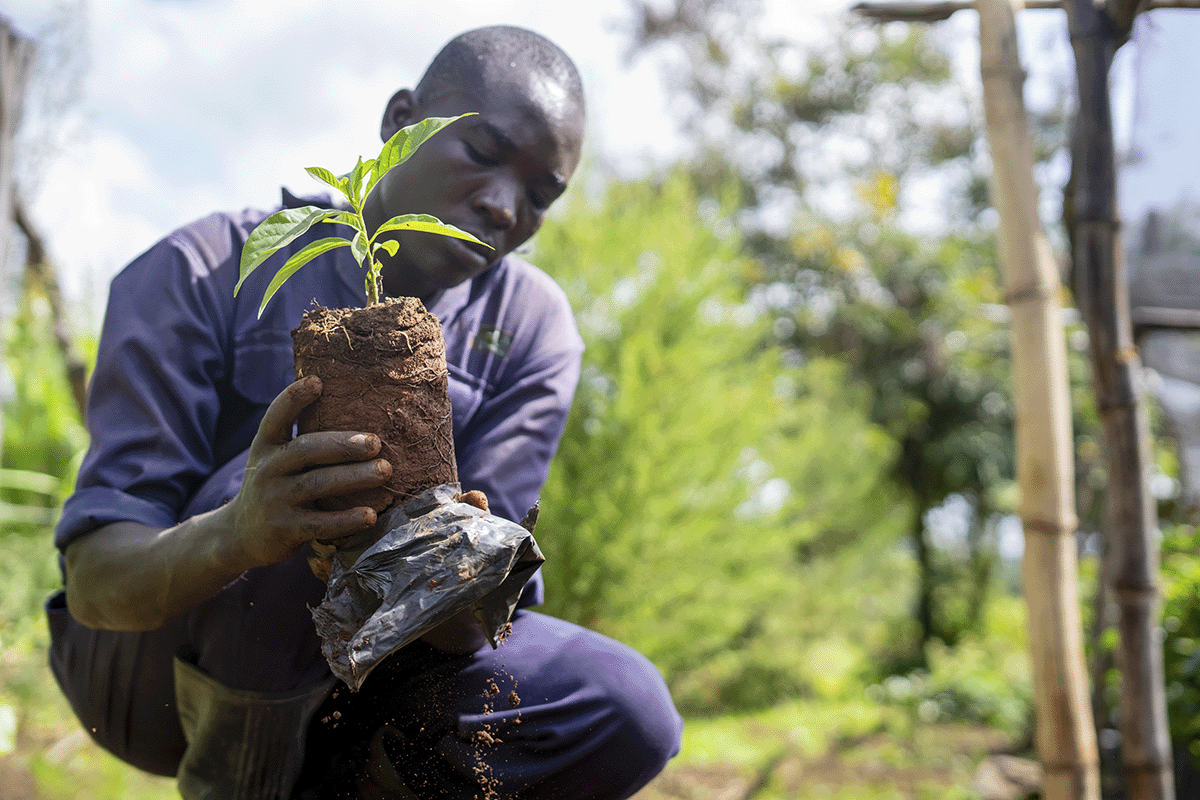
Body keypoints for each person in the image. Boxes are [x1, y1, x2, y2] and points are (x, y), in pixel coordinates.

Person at [47, 25, 683, 800]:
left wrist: (457, 567)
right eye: (482, 152)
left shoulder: (531, 329)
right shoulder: (203, 268)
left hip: (364, 679)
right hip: (148, 675)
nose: (503, 205)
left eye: (541, 195)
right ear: (398, 120)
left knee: (624, 706)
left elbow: (481, 626)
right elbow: (95, 581)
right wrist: (241, 531)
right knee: (310, 493)